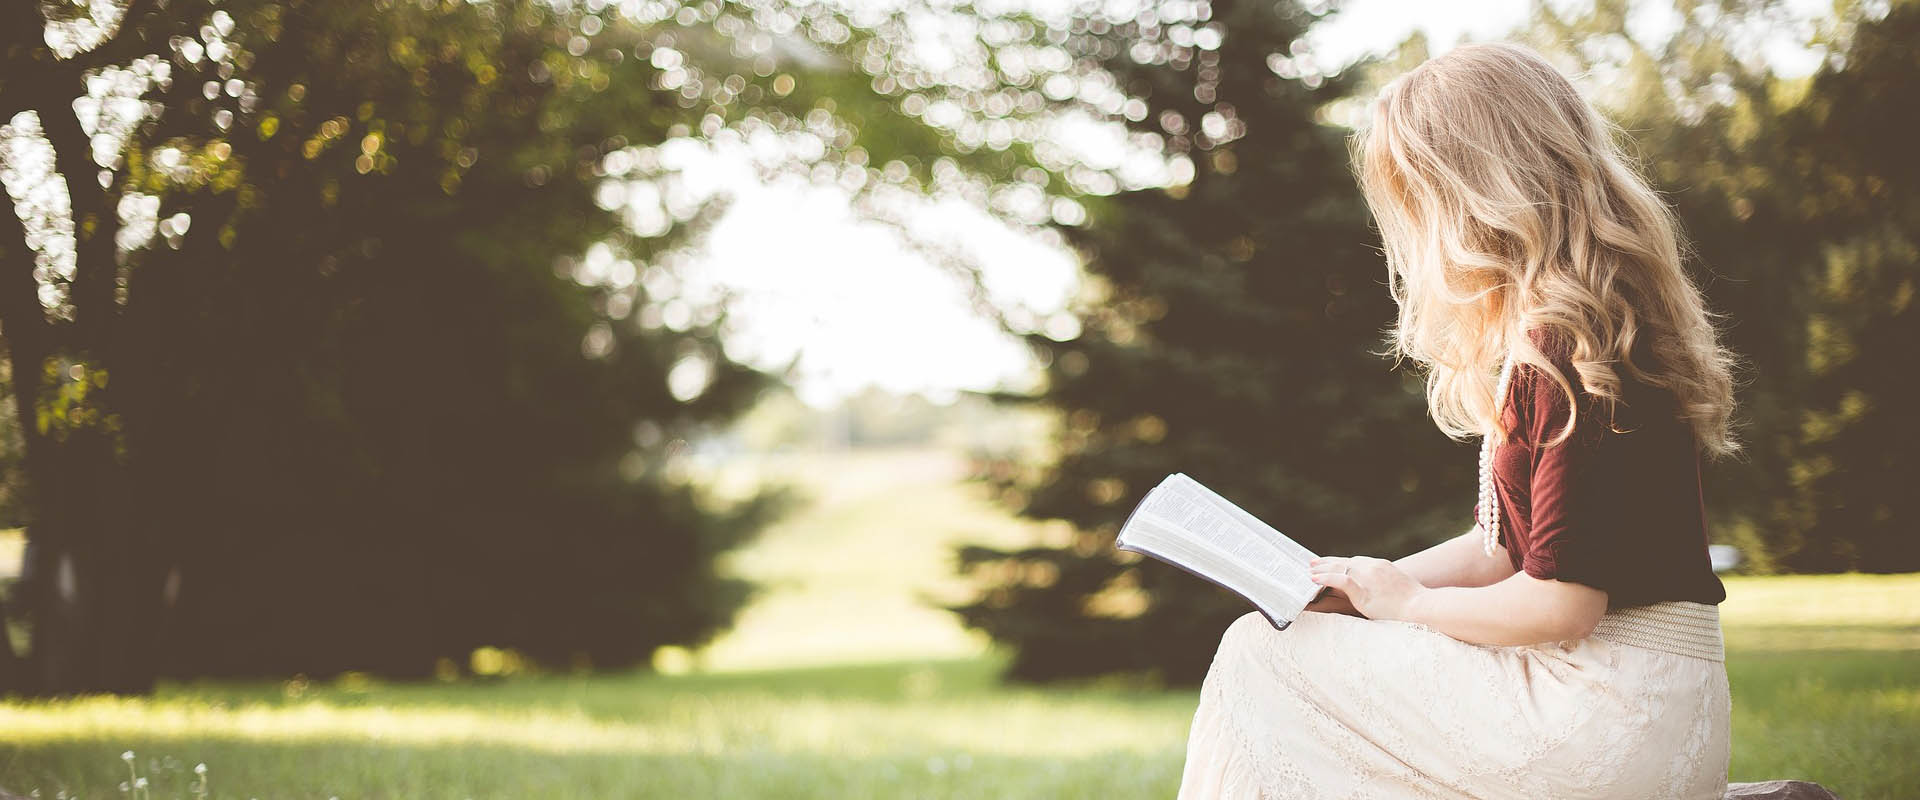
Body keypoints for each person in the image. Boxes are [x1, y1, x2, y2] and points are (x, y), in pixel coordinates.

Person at [1174, 42, 1741, 799]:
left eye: (1419, 196)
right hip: (1642, 700)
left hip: (1606, 709)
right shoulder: (1586, 326)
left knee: (1260, 654)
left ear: (1478, 188)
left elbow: (1564, 602)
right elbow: (1502, 549)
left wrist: (1410, 607)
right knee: (1295, 643)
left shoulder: (1568, 346)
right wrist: (1362, 588)